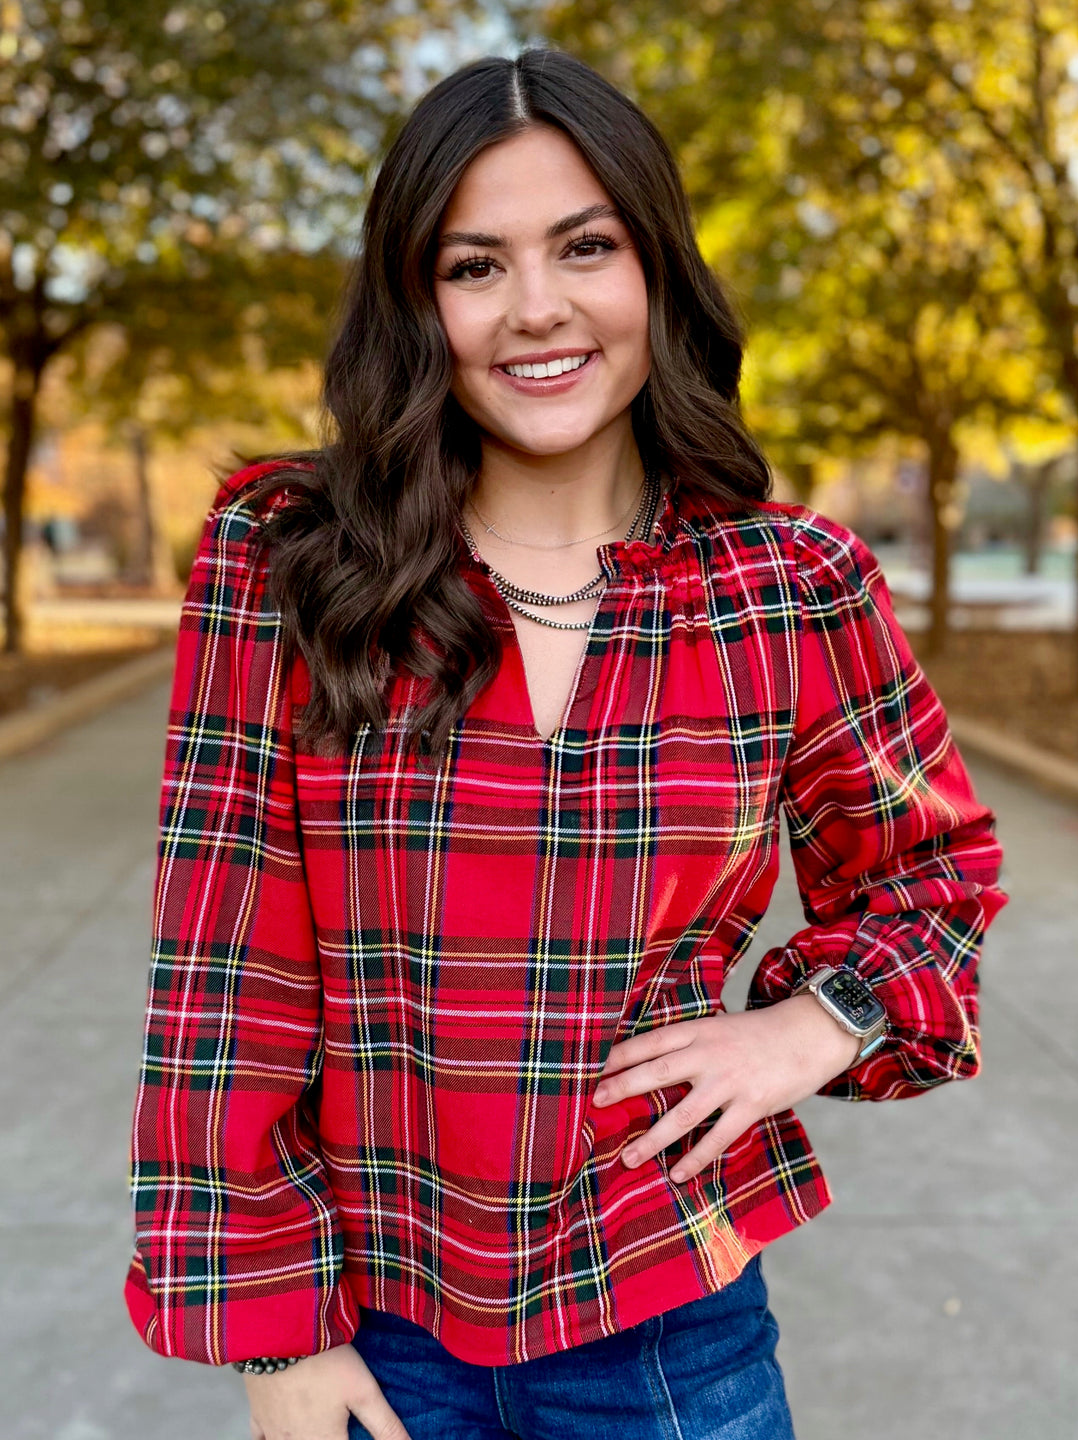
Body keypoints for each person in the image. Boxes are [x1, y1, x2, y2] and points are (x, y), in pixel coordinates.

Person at [124, 49, 1006, 1440]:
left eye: (584, 247)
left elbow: (931, 881)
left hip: (672, 1339)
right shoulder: (290, 556)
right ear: (418, 302)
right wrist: (270, 1335)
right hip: (378, 1336)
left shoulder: (791, 584)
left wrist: (811, 1026)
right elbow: (227, 967)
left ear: (655, 267)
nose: (536, 308)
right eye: (474, 264)